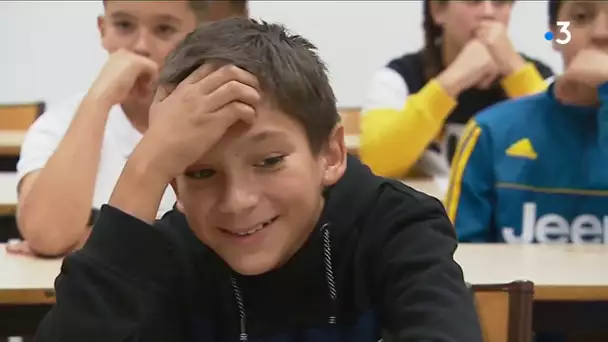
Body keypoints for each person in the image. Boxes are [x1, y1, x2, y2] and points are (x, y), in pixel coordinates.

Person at [35, 18, 482, 342]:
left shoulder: (395, 224)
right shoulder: (168, 255)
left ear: (330, 153)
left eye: (269, 161)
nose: (238, 201)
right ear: (173, 186)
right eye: (201, 172)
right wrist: (145, 167)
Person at [10, 0, 247, 257]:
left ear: (197, 35)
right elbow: (48, 236)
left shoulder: (224, 115)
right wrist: (100, 99)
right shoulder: (58, 124)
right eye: (124, 25)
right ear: (103, 30)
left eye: (164, 29)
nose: (140, 46)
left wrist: (87, 238)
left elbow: (237, 234)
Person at [448, 0, 608, 245]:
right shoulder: (490, 132)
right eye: (581, 16)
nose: (601, 33)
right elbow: (455, 260)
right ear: (555, 34)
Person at [360, 0, 554, 179]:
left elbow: (566, 151)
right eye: (473, 1)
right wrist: (453, 80)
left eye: (500, 2)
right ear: (438, 10)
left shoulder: (538, 78)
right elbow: (376, 163)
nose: (488, 12)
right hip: (432, 212)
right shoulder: (397, 78)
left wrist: (514, 69)